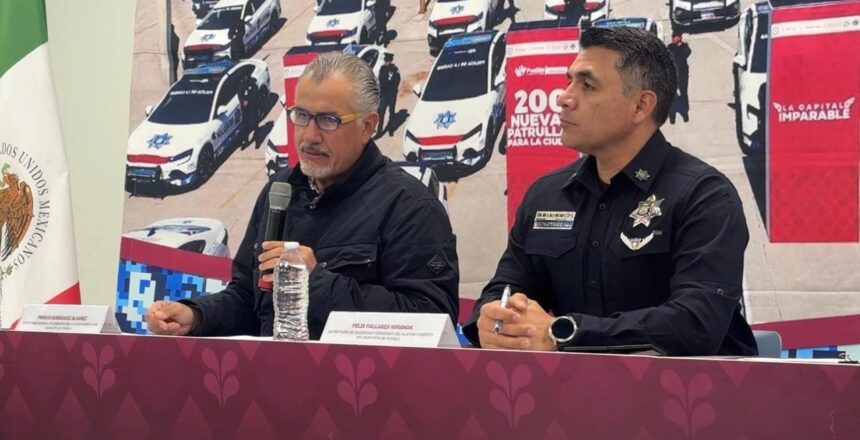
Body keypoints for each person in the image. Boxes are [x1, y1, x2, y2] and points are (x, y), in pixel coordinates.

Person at [463, 27, 757, 356]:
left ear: (640, 106)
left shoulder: (703, 196)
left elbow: (696, 323)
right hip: (564, 385)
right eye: (569, 81)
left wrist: (565, 334)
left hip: (685, 386)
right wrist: (494, 318)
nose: (563, 97)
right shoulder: (547, 194)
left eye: (587, 85)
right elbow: (507, 288)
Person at [146, 52, 459, 338]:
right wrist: (196, 316)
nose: (310, 135)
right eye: (301, 115)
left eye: (328, 120)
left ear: (368, 126)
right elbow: (247, 299)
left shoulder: (410, 206)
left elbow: (431, 320)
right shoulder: (279, 191)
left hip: (357, 379)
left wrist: (315, 282)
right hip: (272, 377)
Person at [667, 30, 691, 124]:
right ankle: (672, 116)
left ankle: (685, 113)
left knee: (684, 93)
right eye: (673, 37)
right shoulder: (670, 47)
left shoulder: (684, 46)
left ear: (680, 38)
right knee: (672, 95)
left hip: (682, 74)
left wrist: (680, 46)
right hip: (673, 75)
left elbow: (687, 53)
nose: (673, 39)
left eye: (675, 37)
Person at [376, 52, 400, 137]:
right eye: (385, 60)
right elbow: (380, 79)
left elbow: (397, 80)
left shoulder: (395, 69)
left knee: (391, 112)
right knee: (381, 113)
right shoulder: (382, 68)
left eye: (387, 61)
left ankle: (391, 129)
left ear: (390, 60)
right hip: (384, 95)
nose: (386, 62)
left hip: (392, 94)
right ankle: (379, 132)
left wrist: (392, 86)